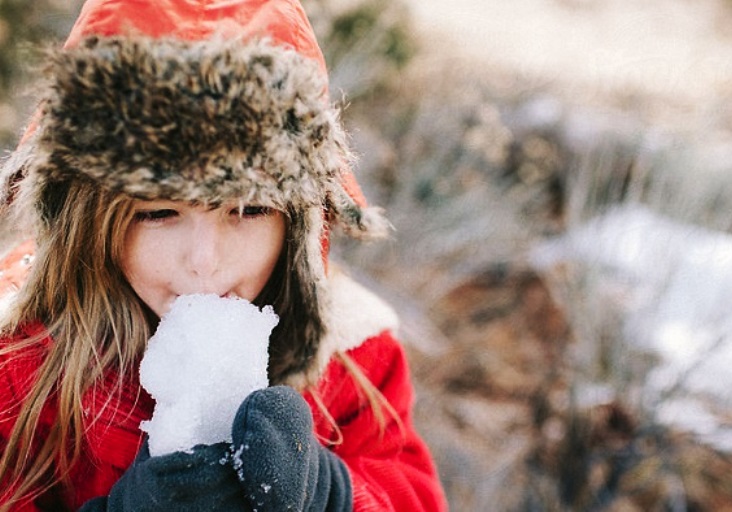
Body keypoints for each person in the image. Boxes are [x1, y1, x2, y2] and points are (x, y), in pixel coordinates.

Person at [0, 0, 448, 510]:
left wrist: (332, 493)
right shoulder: (19, 362)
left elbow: (412, 491)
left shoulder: (354, 357)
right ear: (89, 219)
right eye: (158, 213)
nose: (205, 262)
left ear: (299, 222)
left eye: (249, 209)